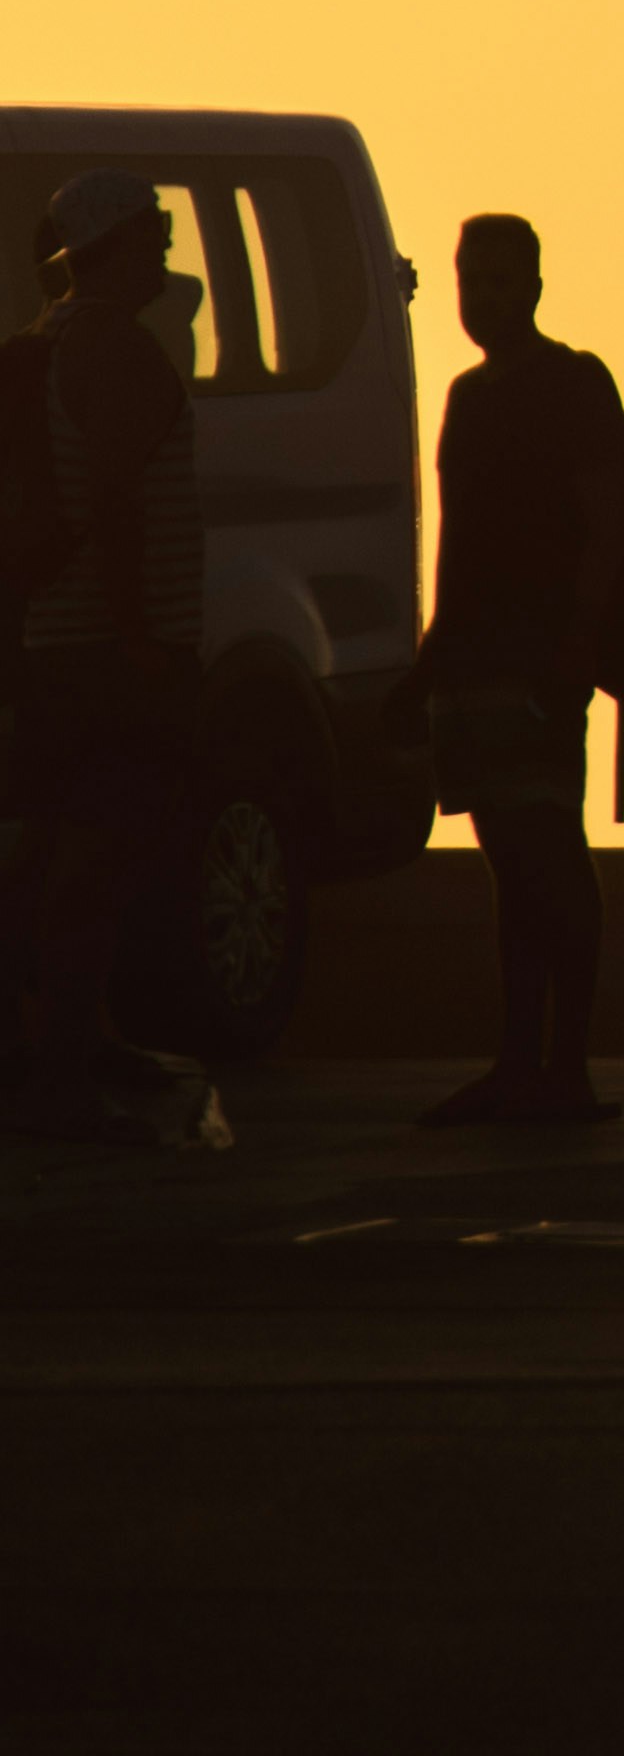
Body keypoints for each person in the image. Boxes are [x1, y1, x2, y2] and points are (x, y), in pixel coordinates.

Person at [418, 212, 624, 1129]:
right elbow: (457, 538)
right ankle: (516, 1065)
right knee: (508, 856)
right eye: (472, 280)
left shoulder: (573, 385)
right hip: (471, 664)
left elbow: (607, 522)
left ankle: (565, 1070)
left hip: (539, 660)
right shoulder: (467, 395)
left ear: (536, 289)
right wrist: (430, 660)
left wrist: (580, 641)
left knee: (551, 853)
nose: (484, 298)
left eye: (502, 280)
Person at [15, 174, 214, 1133]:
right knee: (97, 865)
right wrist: (140, 636)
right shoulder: (119, 351)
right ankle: (64, 1080)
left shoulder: (52, 338)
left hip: (57, 646)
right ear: (119, 244)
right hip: (113, 657)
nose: (166, 249)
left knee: (59, 854)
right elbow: (115, 498)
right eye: (156, 231)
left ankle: (70, 1048)